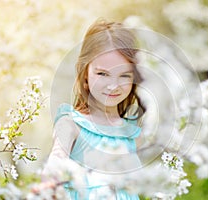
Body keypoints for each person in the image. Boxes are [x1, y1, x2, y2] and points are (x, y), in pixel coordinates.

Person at [45, 18, 145, 200]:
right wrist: (51, 182)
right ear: (85, 74)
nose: (113, 85)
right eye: (102, 74)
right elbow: (56, 160)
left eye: (124, 75)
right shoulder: (71, 125)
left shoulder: (132, 134)